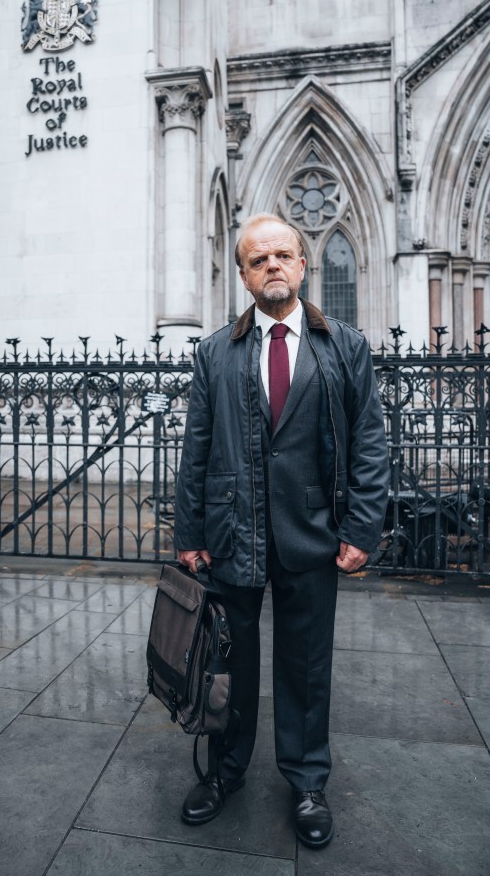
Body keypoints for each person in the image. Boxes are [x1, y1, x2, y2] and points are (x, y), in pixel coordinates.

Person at [173, 213, 389, 848]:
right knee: (227, 664)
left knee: (306, 665)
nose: (272, 265)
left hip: (313, 533)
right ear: (242, 274)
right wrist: (189, 532)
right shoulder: (214, 352)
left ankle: (306, 780)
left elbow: (371, 446)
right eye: (258, 258)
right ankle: (225, 773)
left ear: (302, 265)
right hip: (230, 532)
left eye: (283, 255)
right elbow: (196, 448)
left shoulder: (344, 346)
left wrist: (362, 529)